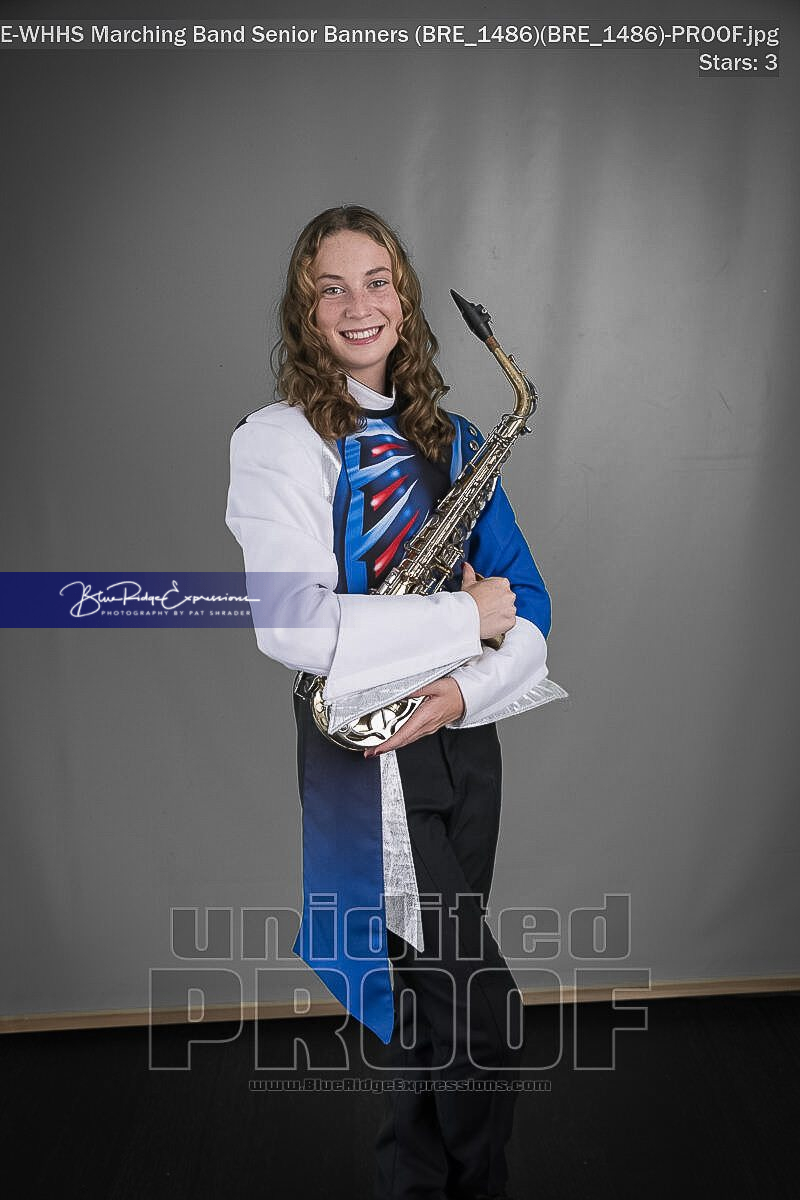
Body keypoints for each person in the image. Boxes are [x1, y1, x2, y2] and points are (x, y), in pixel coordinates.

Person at [225, 205, 566, 1200]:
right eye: (329, 288)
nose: (357, 304)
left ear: (404, 301)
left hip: (461, 739)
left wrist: (462, 689)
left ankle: (411, 1185)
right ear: (305, 312)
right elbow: (291, 625)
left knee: (431, 1015)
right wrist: (465, 619)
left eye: (376, 281)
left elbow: (530, 605)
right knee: (483, 1017)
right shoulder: (279, 441)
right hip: (367, 756)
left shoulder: (455, 440)